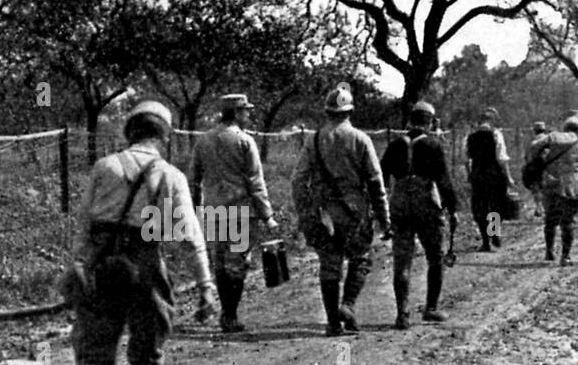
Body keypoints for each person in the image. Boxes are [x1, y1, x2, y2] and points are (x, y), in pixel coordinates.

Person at [57, 99, 216, 365]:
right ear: (164, 136)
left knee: (94, 354)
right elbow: (190, 237)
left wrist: (76, 267)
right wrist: (205, 285)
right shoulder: (170, 175)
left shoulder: (104, 166)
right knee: (147, 355)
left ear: (130, 131)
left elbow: (83, 224)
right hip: (144, 268)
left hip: (101, 267)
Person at [292, 83, 390, 336]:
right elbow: (375, 182)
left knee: (329, 264)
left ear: (327, 112)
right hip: (355, 212)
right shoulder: (360, 139)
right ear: (349, 112)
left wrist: (304, 210)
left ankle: (333, 323)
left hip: (323, 212)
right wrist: (384, 218)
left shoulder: (313, 140)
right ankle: (347, 305)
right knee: (360, 259)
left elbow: (298, 179)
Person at [190, 93, 279, 333]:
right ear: (237, 112)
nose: (248, 115)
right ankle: (230, 314)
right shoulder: (244, 141)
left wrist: (194, 207)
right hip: (240, 212)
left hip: (214, 210)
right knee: (238, 263)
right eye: (246, 111)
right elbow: (255, 182)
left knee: (220, 262)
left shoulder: (203, 140)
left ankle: (226, 313)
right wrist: (267, 215)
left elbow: (194, 179)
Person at [380, 100, 456, 327]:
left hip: (400, 204)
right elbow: (444, 181)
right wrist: (452, 209)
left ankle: (402, 313)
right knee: (435, 257)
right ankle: (431, 308)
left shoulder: (395, 145)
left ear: (410, 120)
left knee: (402, 260)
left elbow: (382, 176)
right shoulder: (433, 146)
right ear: (430, 122)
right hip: (426, 204)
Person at [527, 116, 578, 266]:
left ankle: (549, 251)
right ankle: (565, 256)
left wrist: (539, 162)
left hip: (550, 182)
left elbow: (534, 147)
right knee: (567, 221)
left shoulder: (553, 139)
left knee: (550, 219)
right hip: (569, 186)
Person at [465, 107, 513, 251]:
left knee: (480, 208)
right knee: (495, 206)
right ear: (491, 121)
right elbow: (502, 159)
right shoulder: (496, 135)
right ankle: (494, 234)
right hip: (494, 175)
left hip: (478, 175)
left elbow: (465, 159)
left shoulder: (470, 136)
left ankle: (485, 242)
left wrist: (469, 174)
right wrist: (509, 177)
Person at [527, 121, 549, 217]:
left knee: (536, 188)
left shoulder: (533, 142)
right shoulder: (550, 140)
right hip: (549, 168)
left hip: (536, 168)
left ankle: (539, 208)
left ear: (535, 131)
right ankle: (547, 208)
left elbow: (527, 157)